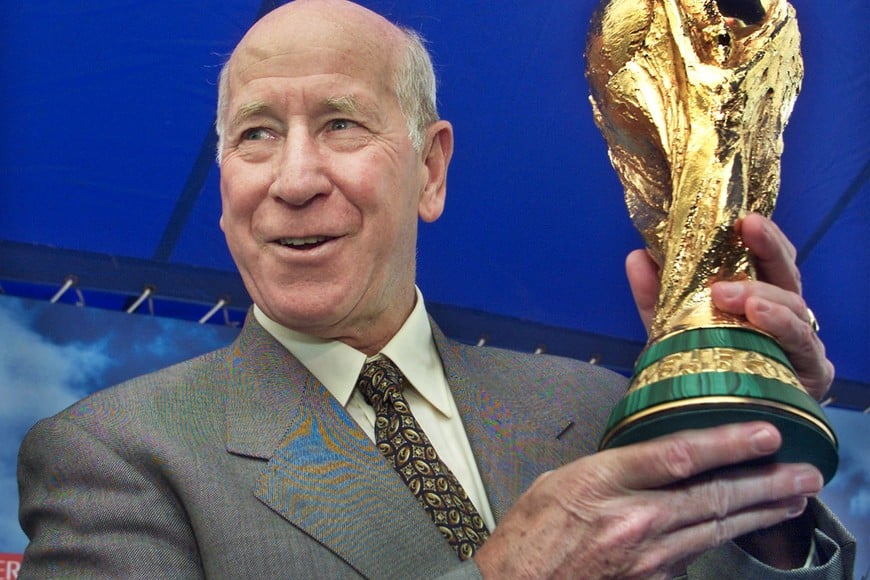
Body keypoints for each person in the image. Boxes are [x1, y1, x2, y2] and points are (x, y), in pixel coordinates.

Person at [17, 0, 855, 577]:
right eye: (257, 135)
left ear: (431, 168)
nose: (296, 178)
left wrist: (763, 466)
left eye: (341, 123)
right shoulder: (113, 453)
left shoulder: (601, 406)